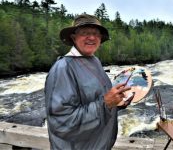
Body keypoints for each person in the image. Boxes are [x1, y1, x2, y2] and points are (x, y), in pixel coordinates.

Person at [44, 14, 133, 150]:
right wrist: (106, 103)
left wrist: (117, 102)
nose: (91, 37)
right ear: (74, 37)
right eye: (85, 33)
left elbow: (100, 98)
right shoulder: (62, 68)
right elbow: (62, 123)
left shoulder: (94, 61)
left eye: (96, 34)